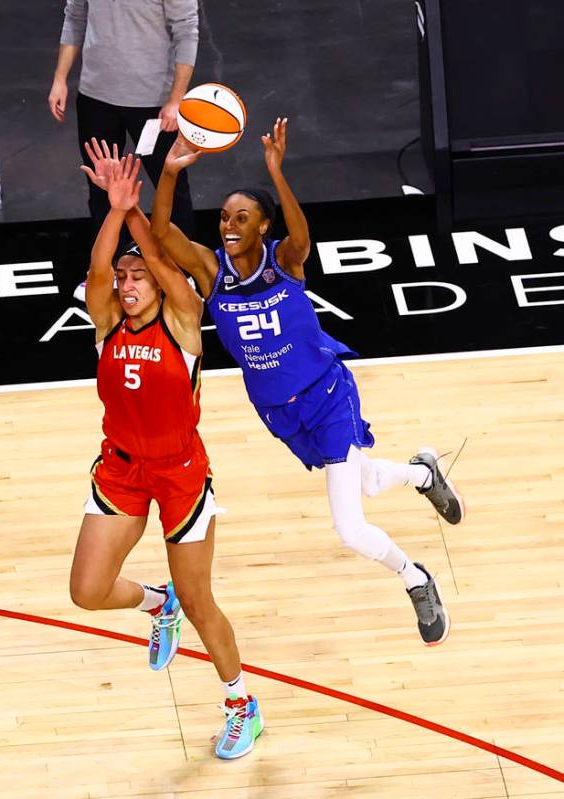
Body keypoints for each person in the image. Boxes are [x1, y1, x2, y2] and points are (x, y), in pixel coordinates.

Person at [150, 118, 465, 646]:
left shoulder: (285, 262)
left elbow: (301, 236)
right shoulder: (211, 272)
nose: (228, 225)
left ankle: (416, 579)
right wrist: (168, 172)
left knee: (350, 527)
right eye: (224, 216)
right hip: (279, 412)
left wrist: (276, 171)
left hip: (327, 395)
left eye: (242, 217)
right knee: (364, 479)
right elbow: (162, 234)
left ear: (262, 226)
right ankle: (421, 474)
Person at [69, 142, 262, 760]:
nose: (126, 285)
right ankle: (158, 602)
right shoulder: (107, 322)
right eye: (123, 279)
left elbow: (159, 255)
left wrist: (132, 214)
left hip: (180, 474)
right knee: (87, 591)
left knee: (205, 603)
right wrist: (113, 209)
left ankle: (242, 705)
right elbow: (98, 272)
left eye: (138, 277)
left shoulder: (181, 319)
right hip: (122, 469)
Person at [50, 0, 198, 301]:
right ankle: (106, 272)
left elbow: (186, 32)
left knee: (169, 184)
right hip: (95, 97)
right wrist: (60, 79)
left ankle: (184, 269)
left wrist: (175, 99)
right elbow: (75, 17)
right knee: (102, 189)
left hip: (153, 102)